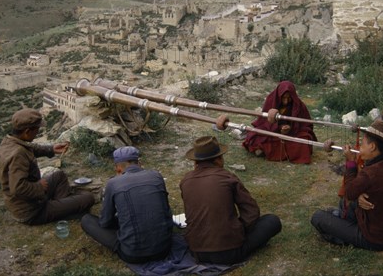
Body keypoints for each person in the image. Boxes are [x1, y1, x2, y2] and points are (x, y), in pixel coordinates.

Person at [180, 133, 282, 265]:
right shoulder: (227, 177)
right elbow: (251, 212)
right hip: (230, 252)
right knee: (272, 221)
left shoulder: (185, 181)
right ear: (218, 159)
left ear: (195, 162)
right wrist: (238, 231)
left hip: (197, 252)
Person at [311, 120, 383, 251]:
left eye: (362, 143)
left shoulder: (371, 172)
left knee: (318, 217)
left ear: (372, 147)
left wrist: (350, 162)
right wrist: (359, 195)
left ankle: (342, 236)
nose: (359, 147)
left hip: (375, 238)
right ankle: (342, 222)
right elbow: (370, 186)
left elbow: (349, 193)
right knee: (344, 204)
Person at [0, 108, 95, 225]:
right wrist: (39, 186)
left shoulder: (9, 141)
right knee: (89, 198)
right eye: (37, 130)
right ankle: (63, 210)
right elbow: (18, 188)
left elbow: (30, 149)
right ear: (27, 132)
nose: (37, 132)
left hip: (27, 202)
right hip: (31, 211)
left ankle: (62, 207)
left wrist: (51, 149)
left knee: (59, 175)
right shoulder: (18, 154)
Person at [81, 146, 173, 264]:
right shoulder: (157, 176)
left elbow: (105, 222)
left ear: (118, 168)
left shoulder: (113, 183)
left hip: (133, 254)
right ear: (139, 163)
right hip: (164, 249)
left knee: (86, 220)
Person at [242, 81, 317, 164]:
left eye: (289, 98)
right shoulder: (271, 100)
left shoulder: (298, 105)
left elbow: (306, 125)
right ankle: (266, 150)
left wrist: (291, 128)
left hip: (293, 133)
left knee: (305, 139)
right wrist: (279, 128)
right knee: (254, 135)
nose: (286, 101)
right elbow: (263, 122)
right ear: (279, 95)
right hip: (273, 131)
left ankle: (265, 150)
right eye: (284, 98)